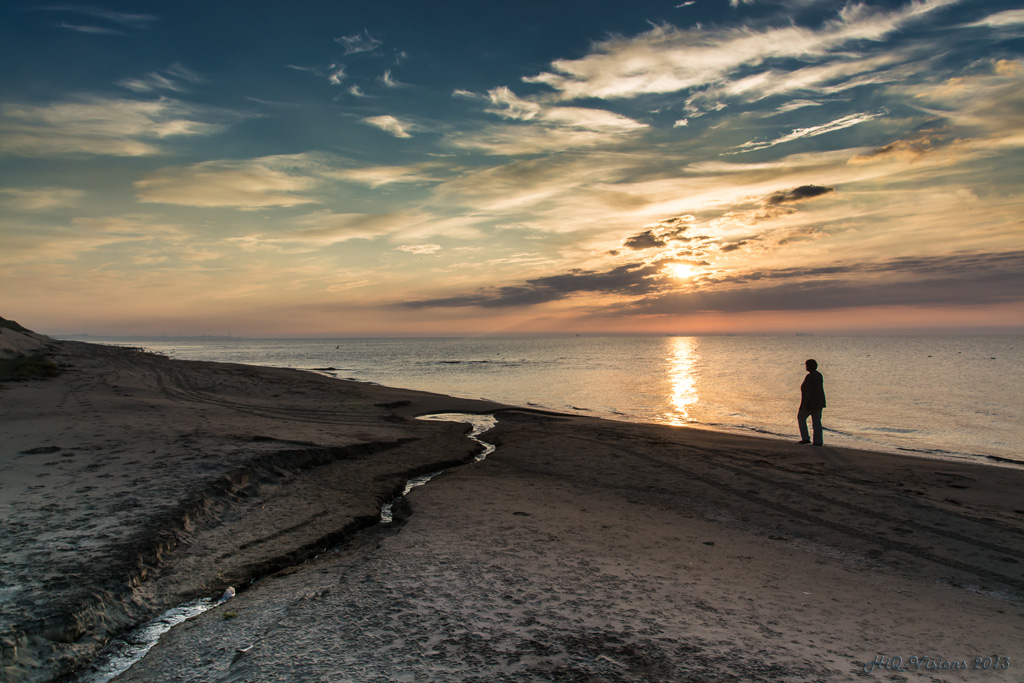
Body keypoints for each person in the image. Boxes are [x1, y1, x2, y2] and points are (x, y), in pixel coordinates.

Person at [797, 359, 826, 446]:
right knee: (817, 422)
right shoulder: (819, 375)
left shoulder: (809, 377)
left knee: (801, 418)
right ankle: (818, 441)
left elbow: (808, 392)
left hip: (810, 403)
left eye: (806, 365)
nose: (805, 367)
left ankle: (805, 438)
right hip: (819, 403)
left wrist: (804, 405)